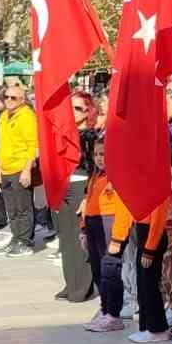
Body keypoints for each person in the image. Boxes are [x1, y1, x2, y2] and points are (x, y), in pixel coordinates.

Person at [112, 146, 172, 344]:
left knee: (150, 283)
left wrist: (150, 248)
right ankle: (148, 326)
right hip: (142, 229)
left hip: (153, 236)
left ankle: (158, 328)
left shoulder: (157, 180)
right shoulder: (143, 178)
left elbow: (158, 218)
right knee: (143, 282)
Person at [52, 93, 98, 303]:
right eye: (71, 108)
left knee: (79, 237)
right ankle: (71, 282)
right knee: (66, 237)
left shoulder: (91, 136)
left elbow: (95, 168)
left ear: (89, 110)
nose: (74, 112)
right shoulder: (61, 133)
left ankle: (82, 287)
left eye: (79, 108)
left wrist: (88, 195)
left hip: (81, 184)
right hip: (63, 184)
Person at [81, 138, 127, 333]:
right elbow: (88, 202)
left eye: (104, 154)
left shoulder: (118, 176)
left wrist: (117, 237)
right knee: (98, 270)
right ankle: (104, 308)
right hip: (93, 224)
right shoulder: (96, 175)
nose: (100, 158)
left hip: (109, 223)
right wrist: (83, 228)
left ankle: (113, 314)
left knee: (110, 270)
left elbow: (124, 208)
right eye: (97, 154)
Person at [0, 82, 38, 257]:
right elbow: (2, 143)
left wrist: (27, 169)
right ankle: (16, 237)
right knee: (11, 208)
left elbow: (32, 145)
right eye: (6, 97)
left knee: (23, 207)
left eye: (14, 98)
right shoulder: (4, 115)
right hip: (5, 167)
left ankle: (25, 241)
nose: (9, 100)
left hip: (20, 167)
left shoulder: (27, 116)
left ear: (22, 100)